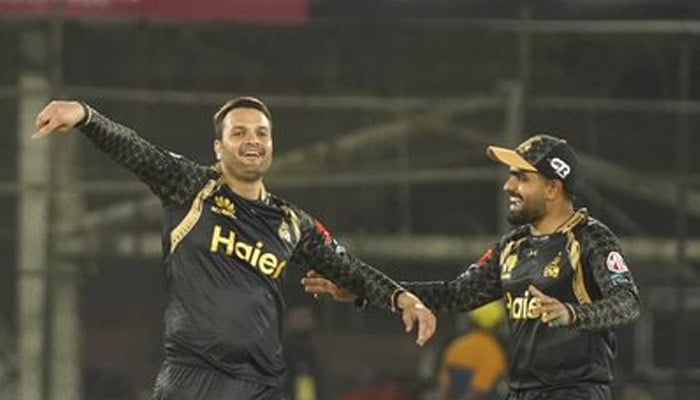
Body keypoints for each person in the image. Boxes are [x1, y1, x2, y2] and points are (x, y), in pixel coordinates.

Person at [33, 97, 437, 400]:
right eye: (239, 132)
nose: (252, 141)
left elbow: (348, 268)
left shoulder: (290, 222)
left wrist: (402, 298)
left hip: (261, 382)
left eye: (261, 133)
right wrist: (86, 116)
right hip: (194, 379)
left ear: (272, 145)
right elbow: (138, 150)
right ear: (218, 147)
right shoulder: (191, 187)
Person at [302, 134, 641, 400]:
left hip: (575, 393)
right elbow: (456, 294)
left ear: (553, 187)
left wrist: (572, 313)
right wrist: (369, 292)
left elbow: (627, 302)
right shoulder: (513, 246)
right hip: (521, 391)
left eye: (521, 177)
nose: (509, 186)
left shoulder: (590, 238)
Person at [435, 301, 507, 400]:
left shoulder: (457, 345)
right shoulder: (494, 351)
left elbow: (444, 387)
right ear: (497, 324)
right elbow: (478, 391)